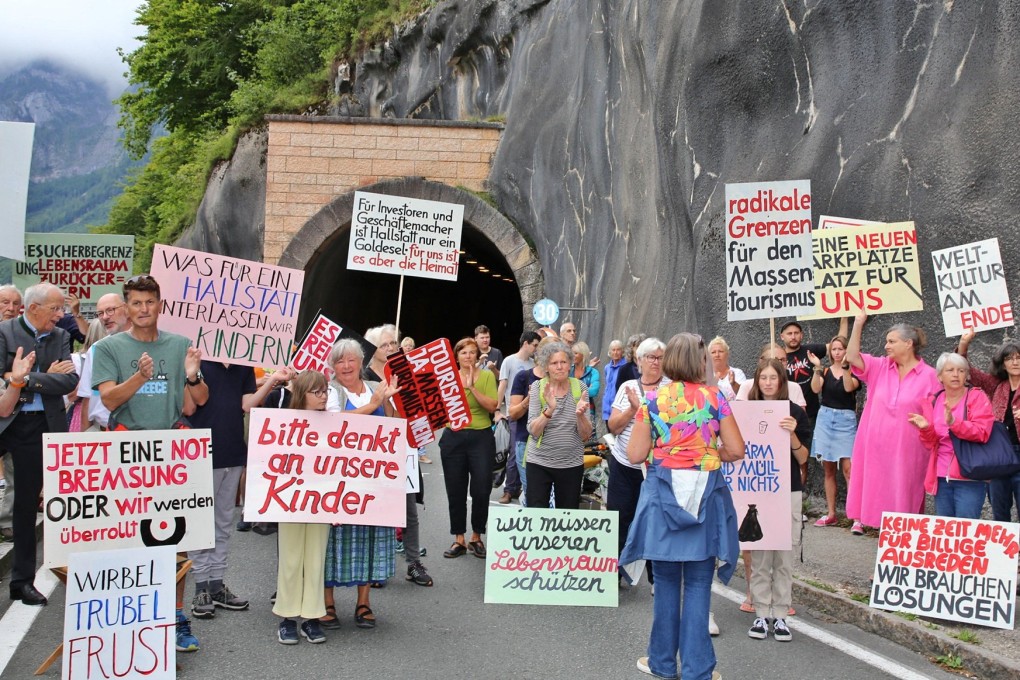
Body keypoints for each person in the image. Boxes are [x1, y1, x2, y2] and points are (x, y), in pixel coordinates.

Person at [92, 274, 209, 651]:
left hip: (171, 452)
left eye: (150, 302)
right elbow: (109, 401)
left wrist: (193, 375)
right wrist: (140, 378)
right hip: (126, 450)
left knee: (176, 538)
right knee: (127, 537)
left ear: (161, 305)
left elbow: (197, 402)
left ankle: (175, 619)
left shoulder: (179, 345)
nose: (144, 309)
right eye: (137, 303)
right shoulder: (109, 347)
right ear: (126, 307)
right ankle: (132, 618)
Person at [621, 333, 744, 680]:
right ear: (700, 361)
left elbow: (634, 454)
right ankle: (697, 669)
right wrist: (704, 454)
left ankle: (661, 663)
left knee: (665, 583)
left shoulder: (653, 399)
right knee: (699, 585)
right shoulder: (715, 397)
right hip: (705, 495)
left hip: (664, 496)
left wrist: (672, 453)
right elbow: (736, 450)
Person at [189, 360, 295, 620]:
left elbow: (247, 405)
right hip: (201, 451)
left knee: (224, 522)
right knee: (201, 524)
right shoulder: (199, 362)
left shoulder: (243, 367)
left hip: (233, 450)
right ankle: (201, 586)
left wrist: (272, 380)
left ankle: (216, 583)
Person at [0, 283, 78, 606]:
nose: (61, 316)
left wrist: (26, 378)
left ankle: (22, 581)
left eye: (61, 309)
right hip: (6, 418)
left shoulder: (60, 336)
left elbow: (69, 380)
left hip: (39, 426)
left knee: (26, 505)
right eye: (55, 309)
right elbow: (3, 375)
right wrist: (45, 375)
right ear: (33, 309)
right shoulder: (5, 332)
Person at [322, 338, 403, 629]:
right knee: (332, 541)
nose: (345, 366)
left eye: (351, 360)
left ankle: (364, 602)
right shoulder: (330, 391)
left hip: (371, 479)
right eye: (340, 361)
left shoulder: (374, 389)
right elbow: (334, 422)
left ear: (360, 363)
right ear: (333, 366)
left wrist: (388, 401)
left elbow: (392, 424)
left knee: (369, 538)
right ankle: (327, 603)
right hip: (337, 479)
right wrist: (372, 405)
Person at [845, 312, 939, 534]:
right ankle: (886, 563)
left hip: (909, 452)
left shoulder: (930, 376)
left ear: (908, 344)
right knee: (879, 504)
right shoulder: (880, 367)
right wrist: (858, 323)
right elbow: (851, 356)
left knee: (904, 505)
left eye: (891, 341)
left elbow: (936, 415)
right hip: (876, 450)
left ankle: (902, 561)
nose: (886, 346)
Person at [744, 359, 811, 643]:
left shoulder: (795, 412)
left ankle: (781, 615)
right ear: (757, 381)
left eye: (774, 378)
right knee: (760, 557)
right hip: (758, 490)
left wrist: (792, 433)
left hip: (788, 489)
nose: (768, 383)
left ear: (782, 381)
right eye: (764, 378)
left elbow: (804, 458)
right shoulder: (746, 411)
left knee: (783, 557)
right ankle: (761, 612)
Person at [272, 370, 331, 644]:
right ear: (302, 393)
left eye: (325, 391)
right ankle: (286, 617)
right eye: (316, 392)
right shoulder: (284, 421)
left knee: (316, 558)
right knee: (291, 558)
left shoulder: (334, 423)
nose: (323, 396)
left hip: (322, 501)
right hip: (291, 500)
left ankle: (311, 617)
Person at [607, 338, 668, 592]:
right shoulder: (628, 387)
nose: (655, 362)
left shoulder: (671, 389)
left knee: (657, 521)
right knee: (620, 517)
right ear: (639, 361)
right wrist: (634, 410)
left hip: (657, 466)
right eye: (650, 357)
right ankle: (615, 572)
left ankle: (658, 577)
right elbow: (614, 426)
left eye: (660, 357)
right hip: (624, 464)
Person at [907, 352, 993, 519]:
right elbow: (930, 443)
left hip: (969, 474)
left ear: (967, 375)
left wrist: (954, 423)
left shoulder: (976, 397)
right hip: (940, 475)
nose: (956, 374)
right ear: (940, 376)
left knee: (965, 529)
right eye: (950, 370)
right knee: (946, 530)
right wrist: (925, 429)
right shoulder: (933, 401)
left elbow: (982, 432)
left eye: (961, 371)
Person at [440, 337, 498, 559]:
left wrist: (471, 387)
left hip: (481, 437)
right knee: (455, 489)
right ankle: (459, 539)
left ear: (477, 355)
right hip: (453, 437)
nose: (468, 356)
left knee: (482, 488)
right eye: (463, 353)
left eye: (472, 352)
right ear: (456, 356)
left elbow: (492, 406)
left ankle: (477, 536)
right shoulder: (447, 379)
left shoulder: (485, 377)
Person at [958, 330, 1020, 521]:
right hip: (999, 455)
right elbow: (968, 371)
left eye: (1019, 358)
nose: (1015, 362)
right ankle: (1005, 551)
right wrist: (963, 344)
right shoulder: (996, 385)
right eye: (1010, 358)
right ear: (1002, 363)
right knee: (999, 508)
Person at [524, 341, 592, 509]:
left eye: (563, 362)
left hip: (571, 463)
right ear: (546, 366)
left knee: (567, 514)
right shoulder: (538, 387)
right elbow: (533, 431)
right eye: (554, 363)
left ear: (570, 364)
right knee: (537, 513)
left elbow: (586, 435)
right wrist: (550, 409)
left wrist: (580, 415)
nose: (560, 367)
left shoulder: (580, 387)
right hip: (539, 462)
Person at [808, 335, 861, 526]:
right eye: (834, 349)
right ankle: (831, 513)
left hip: (845, 421)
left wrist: (846, 367)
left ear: (848, 350)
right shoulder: (826, 370)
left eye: (841, 349)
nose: (837, 352)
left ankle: (856, 517)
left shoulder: (855, 372)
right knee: (828, 468)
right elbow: (815, 389)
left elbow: (848, 388)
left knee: (849, 469)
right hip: (825, 418)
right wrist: (817, 368)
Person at [497, 331, 541, 503]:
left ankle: (521, 487)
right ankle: (509, 490)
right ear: (525, 343)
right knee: (515, 453)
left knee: (527, 453)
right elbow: (503, 385)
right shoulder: (509, 360)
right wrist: (497, 409)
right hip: (514, 412)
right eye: (535, 345)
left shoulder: (533, 364)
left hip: (533, 414)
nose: (536, 349)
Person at [0, 285, 22, 543]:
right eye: (5, 302)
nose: (11, 308)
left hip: (17, 410)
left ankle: (6, 521)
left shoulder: (23, 334)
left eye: (16, 303)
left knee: (15, 466)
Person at [571, 341, 600, 437]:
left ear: (583, 354)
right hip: (569, 410)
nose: (572, 355)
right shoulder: (567, 370)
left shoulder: (593, 372)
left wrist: (572, 389)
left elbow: (594, 391)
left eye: (575, 353)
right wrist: (585, 389)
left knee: (588, 439)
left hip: (587, 410)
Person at [708, 336, 746, 401]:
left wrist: (733, 384)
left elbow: (744, 396)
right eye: (713, 352)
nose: (717, 355)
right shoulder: (705, 376)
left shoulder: (737, 373)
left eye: (720, 351)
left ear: (727, 354)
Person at [602, 340, 628, 429]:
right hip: (607, 410)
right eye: (613, 350)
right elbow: (608, 387)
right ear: (610, 351)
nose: (615, 352)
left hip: (619, 409)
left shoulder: (626, 367)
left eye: (618, 350)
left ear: (622, 351)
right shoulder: (607, 368)